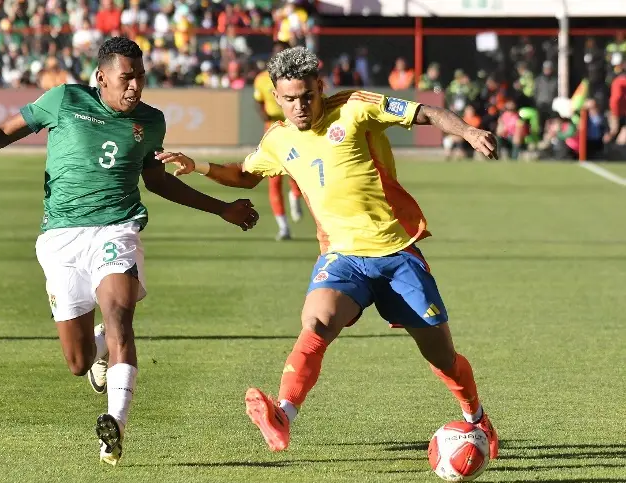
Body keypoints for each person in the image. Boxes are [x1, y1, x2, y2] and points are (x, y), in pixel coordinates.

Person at [0, 37, 259, 466]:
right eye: (126, 78)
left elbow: (155, 181)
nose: (135, 86)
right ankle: (97, 349)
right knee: (78, 361)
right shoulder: (64, 99)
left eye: (140, 76)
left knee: (119, 313)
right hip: (61, 239)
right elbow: (4, 132)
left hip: (117, 230)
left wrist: (221, 209)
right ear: (102, 77)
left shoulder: (151, 122)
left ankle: (115, 424)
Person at [157, 46, 499, 458]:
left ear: (321, 87)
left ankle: (476, 417)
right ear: (276, 97)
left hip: (396, 252)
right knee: (316, 323)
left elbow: (425, 111)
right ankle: (283, 414)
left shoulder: (355, 107)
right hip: (342, 257)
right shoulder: (279, 139)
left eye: (307, 96)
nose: (299, 107)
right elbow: (246, 176)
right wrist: (200, 167)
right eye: (289, 99)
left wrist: (467, 131)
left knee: (441, 356)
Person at [253, 41, 303, 240]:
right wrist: (264, 117)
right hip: (273, 129)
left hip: (295, 128)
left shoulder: (297, 77)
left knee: (298, 172)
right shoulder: (262, 79)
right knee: (273, 179)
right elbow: (257, 101)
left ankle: (296, 195)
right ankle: (283, 226)